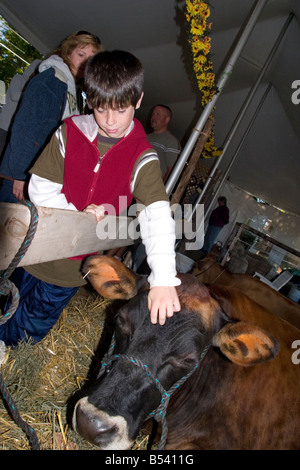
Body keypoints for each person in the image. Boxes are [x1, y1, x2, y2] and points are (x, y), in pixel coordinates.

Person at [0, 50, 181, 347]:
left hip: (72, 268)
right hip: (32, 251)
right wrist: (79, 214)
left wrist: (163, 277)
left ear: (138, 100)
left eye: (121, 110)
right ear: (89, 99)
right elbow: (41, 186)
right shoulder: (70, 132)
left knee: (29, 326)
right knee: (7, 304)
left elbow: (156, 214)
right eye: (100, 109)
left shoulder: (142, 156)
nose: (110, 121)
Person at [0, 30, 103, 203]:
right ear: (68, 53)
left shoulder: (72, 89)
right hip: (23, 177)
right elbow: (27, 126)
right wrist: (20, 175)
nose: (85, 62)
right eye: (81, 54)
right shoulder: (52, 78)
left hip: (41, 176)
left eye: (90, 59)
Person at [0, 59, 41, 160]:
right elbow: (14, 96)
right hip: (3, 127)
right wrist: (33, 94)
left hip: (14, 131)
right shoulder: (19, 79)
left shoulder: (34, 87)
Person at [147, 104, 181, 182]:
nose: (153, 117)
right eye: (153, 114)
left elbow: (172, 171)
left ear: (166, 120)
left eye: (158, 114)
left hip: (151, 190)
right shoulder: (145, 137)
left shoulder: (171, 141)